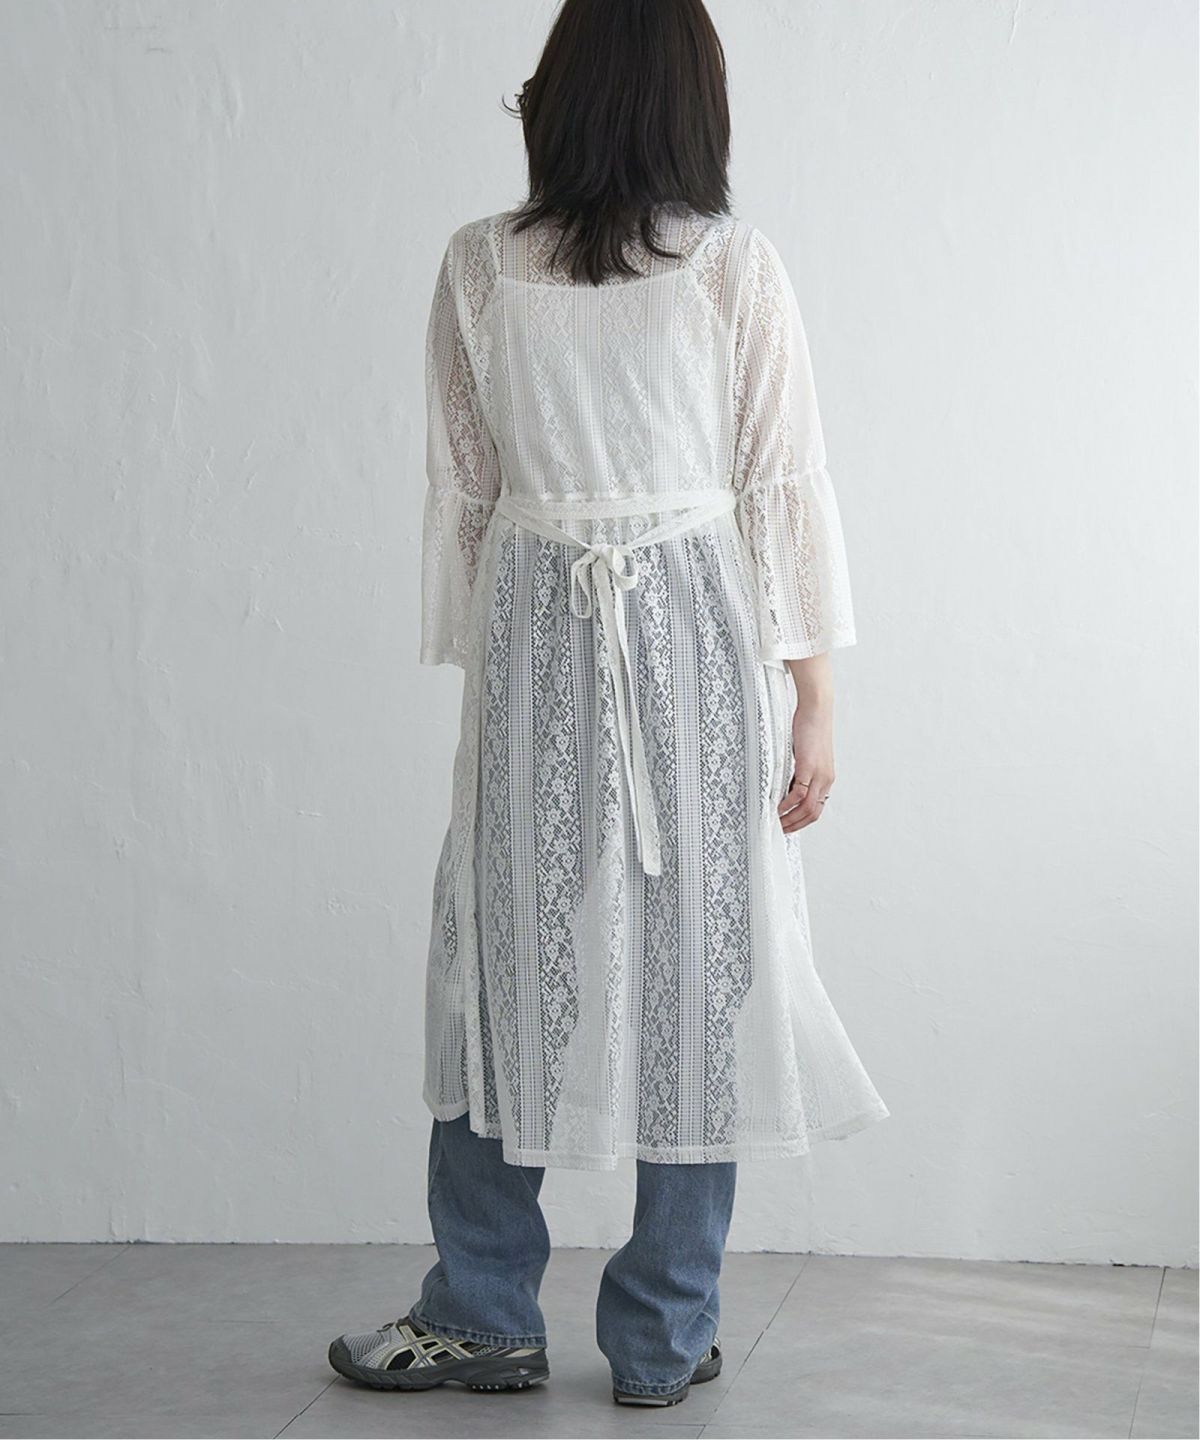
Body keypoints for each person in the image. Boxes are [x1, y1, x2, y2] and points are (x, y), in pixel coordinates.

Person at [328, 0, 889, 1408]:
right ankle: (656, 1332)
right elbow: (779, 483)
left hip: (546, 633)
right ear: (694, 102)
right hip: (683, 634)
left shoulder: (498, 264)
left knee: (522, 959)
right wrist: (813, 701)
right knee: (670, 968)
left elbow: (475, 489)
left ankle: (492, 1309)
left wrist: (509, 660)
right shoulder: (710, 267)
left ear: (561, 94)